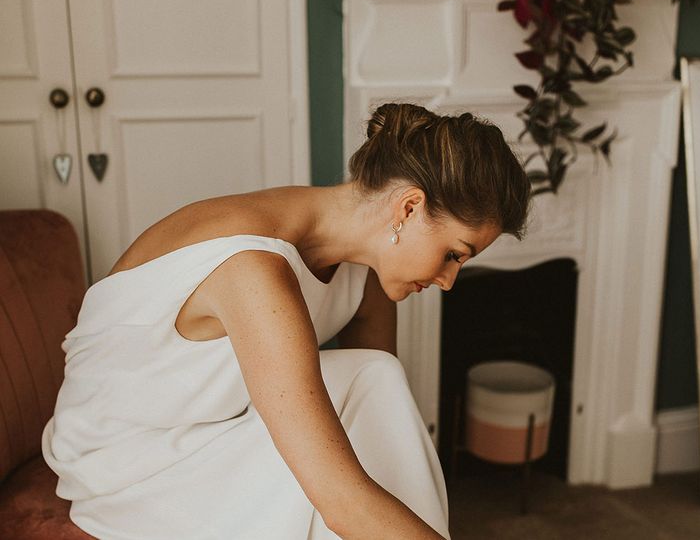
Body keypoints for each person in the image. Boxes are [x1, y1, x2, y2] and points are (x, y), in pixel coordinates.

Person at [42, 102, 531, 539]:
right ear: (408, 208)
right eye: (452, 254)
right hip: (132, 469)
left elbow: (377, 442)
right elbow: (342, 498)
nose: (448, 281)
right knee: (340, 471)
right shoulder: (252, 266)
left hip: (221, 431)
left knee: (374, 377)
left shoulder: (367, 274)